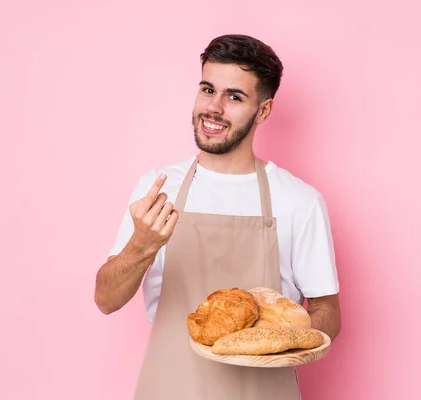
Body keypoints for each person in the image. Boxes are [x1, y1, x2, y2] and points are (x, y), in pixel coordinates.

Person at [94, 34, 341, 400]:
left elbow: (327, 311)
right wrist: (141, 246)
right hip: (171, 385)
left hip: (264, 391)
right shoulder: (159, 188)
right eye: (208, 90)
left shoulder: (299, 201)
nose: (214, 108)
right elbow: (106, 299)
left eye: (234, 97)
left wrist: (284, 340)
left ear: (263, 111)